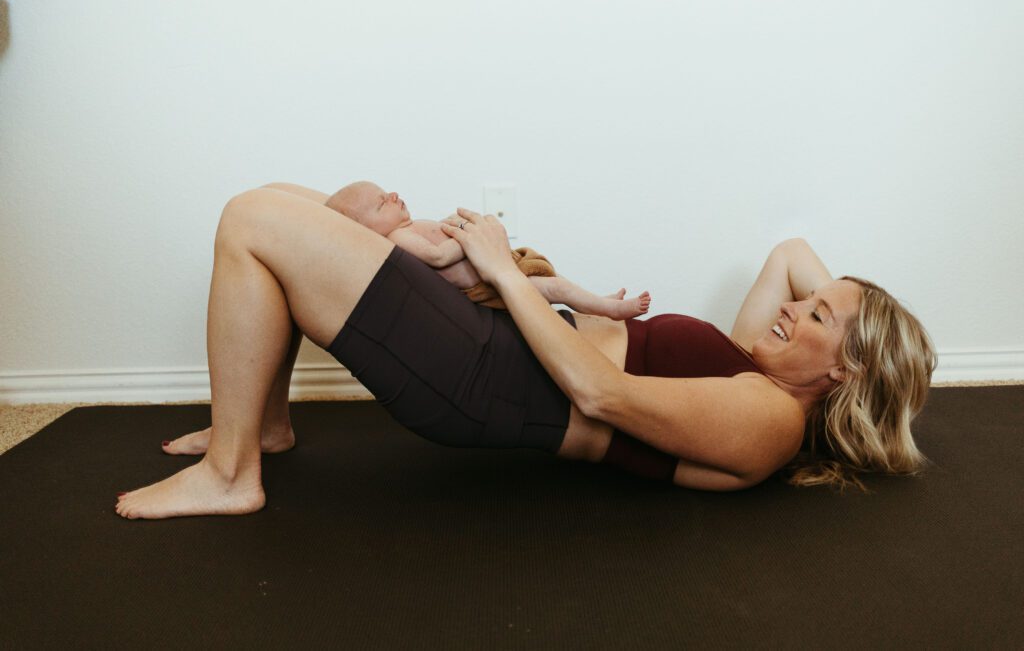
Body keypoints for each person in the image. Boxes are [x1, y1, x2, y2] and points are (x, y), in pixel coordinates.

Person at [116, 183, 937, 519]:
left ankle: (231, 474)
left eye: (815, 316)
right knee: (314, 207)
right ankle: (260, 428)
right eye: (807, 303)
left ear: (843, 371)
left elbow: (602, 396)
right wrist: (862, 329)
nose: (793, 306)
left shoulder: (769, 418)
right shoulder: (752, 362)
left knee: (255, 221)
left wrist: (507, 270)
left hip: (487, 381)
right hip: (497, 351)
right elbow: (791, 250)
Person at [324, 180, 651, 320]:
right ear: (367, 230)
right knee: (554, 287)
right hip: (486, 284)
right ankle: (605, 309)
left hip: (498, 265)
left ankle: (596, 300)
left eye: (387, 191)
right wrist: (467, 233)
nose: (394, 195)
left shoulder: (407, 229)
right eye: (383, 202)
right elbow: (438, 257)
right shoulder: (398, 238)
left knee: (553, 279)